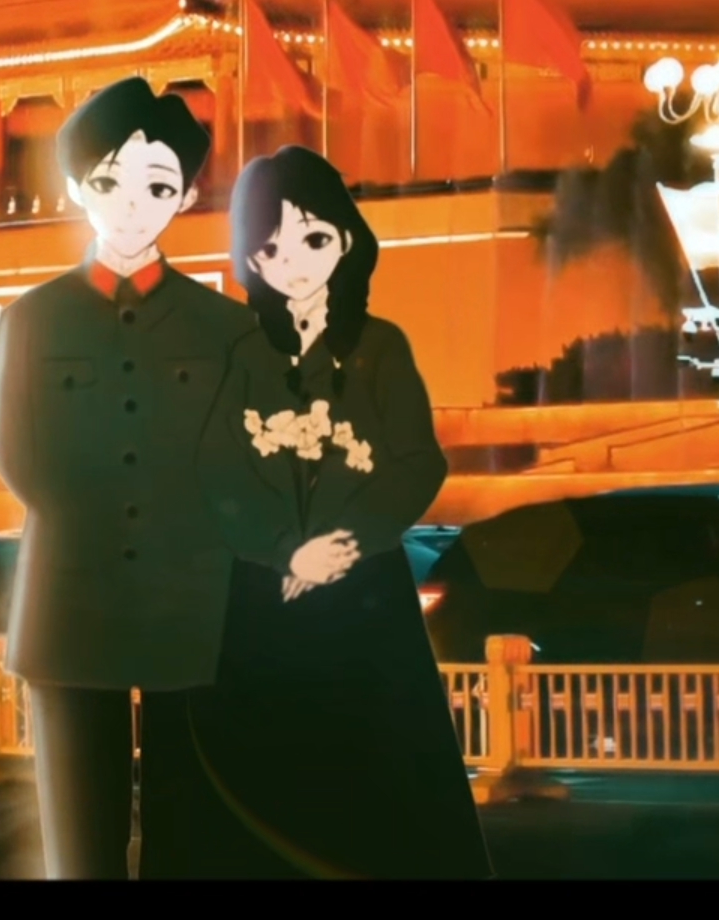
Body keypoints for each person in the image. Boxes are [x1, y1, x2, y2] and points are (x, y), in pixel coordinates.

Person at [192, 145, 494, 879]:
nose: (293, 263)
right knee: (268, 797)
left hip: (364, 602)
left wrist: (341, 542)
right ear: (250, 260)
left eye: (314, 239)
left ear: (347, 239)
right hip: (266, 602)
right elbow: (217, 471)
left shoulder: (381, 347)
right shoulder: (242, 358)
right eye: (271, 249)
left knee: (380, 789)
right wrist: (284, 548)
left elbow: (418, 462)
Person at [0, 77, 256, 879]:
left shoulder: (226, 327)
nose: (134, 206)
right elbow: (17, 452)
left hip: (193, 603)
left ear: (188, 196)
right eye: (109, 183)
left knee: (191, 838)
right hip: (70, 601)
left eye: (159, 187)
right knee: (80, 848)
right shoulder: (32, 319)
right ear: (76, 188)